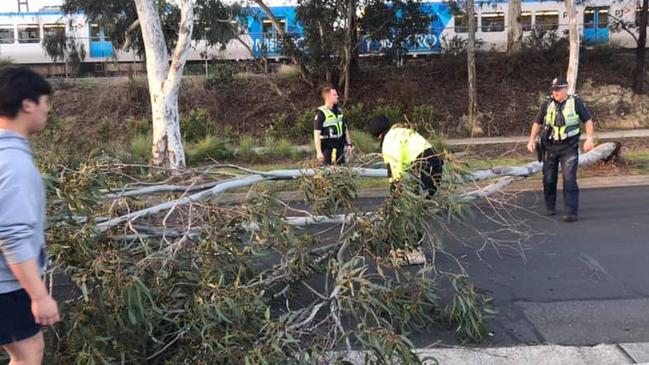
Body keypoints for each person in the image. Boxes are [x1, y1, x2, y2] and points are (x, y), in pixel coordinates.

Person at [0, 67, 59, 365]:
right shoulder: (14, 164)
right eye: (44, 101)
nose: (47, 109)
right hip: (5, 285)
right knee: (28, 352)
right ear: (27, 104)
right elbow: (11, 236)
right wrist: (39, 296)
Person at [367, 115, 444, 265]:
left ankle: (413, 252)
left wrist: (394, 193)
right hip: (435, 164)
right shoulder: (401, 131)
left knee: (410, 210)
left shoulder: (388, 142)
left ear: (378, 136)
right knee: (416, 208)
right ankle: (406, 248)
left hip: (423, 167)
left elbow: (395, 168)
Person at [527, 77, 595, 223]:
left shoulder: (576, 103)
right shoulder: (547, 103)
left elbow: (587, 120)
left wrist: (589, 139)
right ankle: (550, 206)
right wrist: (531, 140)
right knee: (548, 178)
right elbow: (537, 122)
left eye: (558, 90)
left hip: (569, 147)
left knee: (569, 179)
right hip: (550, 147)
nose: (555, 93)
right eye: (554, 90)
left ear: (566, 89)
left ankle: (571, 212)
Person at [313, 86, 353, 165]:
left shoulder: (339, 111)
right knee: (328, 170)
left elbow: (345, 129)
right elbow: (316, 134)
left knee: (341, 169)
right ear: (328, 97)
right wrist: (319, 152)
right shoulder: (321, 113)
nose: (337, 96)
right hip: (327, 146)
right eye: (334, 95)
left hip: (339, 145)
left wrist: (349, 144)